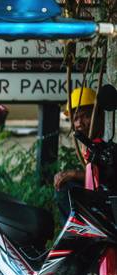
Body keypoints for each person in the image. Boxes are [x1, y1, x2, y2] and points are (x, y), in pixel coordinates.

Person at [54, 87, 102, 217]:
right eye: (75, 118)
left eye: (86, 116)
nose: (79, 123)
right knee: (65, 186)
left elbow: (104, 175)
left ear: (98, 114)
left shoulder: (105, 140)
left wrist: (74, 174)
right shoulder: (85, 143)